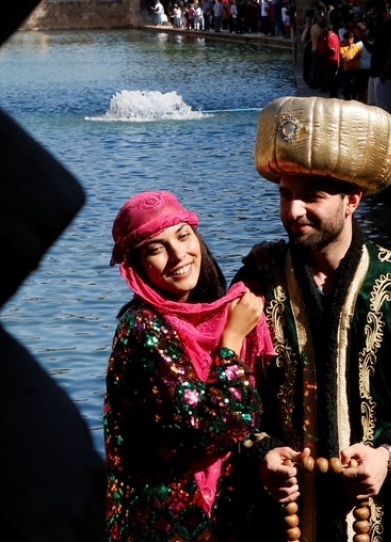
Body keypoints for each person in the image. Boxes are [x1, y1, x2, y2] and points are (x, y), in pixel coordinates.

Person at [226, 97, 391, 542]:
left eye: (311, 196)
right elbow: (228, 400)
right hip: (277, 526)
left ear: (352, 199)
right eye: (285, 194)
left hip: (379, 524)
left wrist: (389, 458)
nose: (292, 211)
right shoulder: (257, 284)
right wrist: (260, 454)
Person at [103, 190, 275, 541]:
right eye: (156, 248)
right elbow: (210, 429)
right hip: (162, 525)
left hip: (218, 517)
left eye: (183, 236)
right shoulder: (142, 330)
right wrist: (230, 343)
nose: (178, 255)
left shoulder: (209, 314)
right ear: (136, 267)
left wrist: (269, 260)